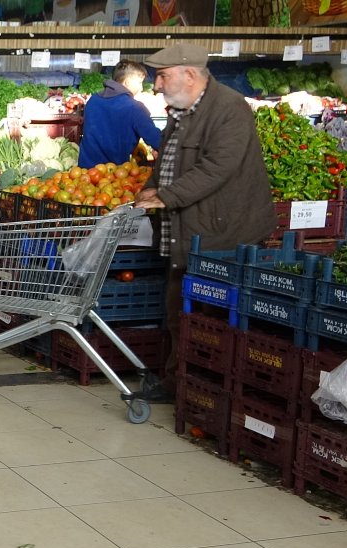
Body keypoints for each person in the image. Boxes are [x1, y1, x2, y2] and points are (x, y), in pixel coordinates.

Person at [134, 43, 276, 400]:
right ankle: (177, 383)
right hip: (186, 232)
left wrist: (166, 196)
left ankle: (202, 388)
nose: (156, 85)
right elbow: (166, 164)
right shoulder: (181, 112)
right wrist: (150, 189)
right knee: (176, 309)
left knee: (207, 316)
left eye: (162, 76)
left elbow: (217, 168)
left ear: (190, 75)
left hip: (221, 235)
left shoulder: (229, 109)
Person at [78, 60, 161, 169]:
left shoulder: (93, 100)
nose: (141, 88)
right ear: (127, 82)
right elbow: (157, 140)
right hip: (114, 175)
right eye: (139, 83)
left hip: (84, 173)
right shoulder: (135, 108)